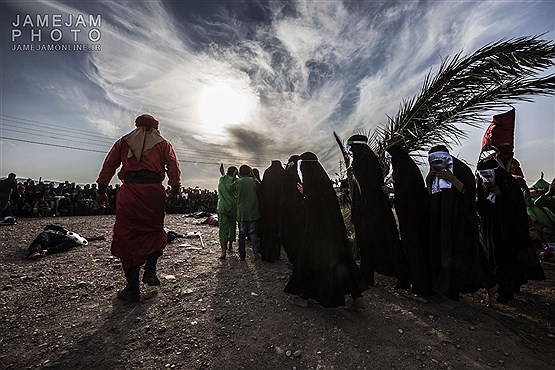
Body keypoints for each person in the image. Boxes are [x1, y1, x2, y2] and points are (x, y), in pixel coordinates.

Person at [96, 114, 181, 302]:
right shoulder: (163, 144)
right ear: (155, 128)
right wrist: (175, 190)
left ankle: (132, 288)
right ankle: (150, 270)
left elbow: (109, 165)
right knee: (154, 230)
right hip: (154, 194)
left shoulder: (123, 142)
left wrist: (101, 190)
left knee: (127, 235)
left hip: (129, 193)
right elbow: (173, 166)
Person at [284, 152, 367, 309]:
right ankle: (358, 297)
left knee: (306, 261)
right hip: (335, 232)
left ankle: (302, 297)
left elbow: (314, 207)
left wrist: (304, 194)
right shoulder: (324, 182)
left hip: (317, 233)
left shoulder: (310, 185)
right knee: (342, 261)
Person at [426, 145, 496, 301]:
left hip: (460, 224)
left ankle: (489, 285)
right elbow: (432, 197)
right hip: (442, 224)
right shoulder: (434, 174)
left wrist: (451, 178)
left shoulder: (461, 170)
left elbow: (470, 195)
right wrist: (430, 181)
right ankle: (448, 289)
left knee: (468, 256)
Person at [476, 159, 546, 303]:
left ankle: (506, 292)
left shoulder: (509, 184)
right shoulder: (483, 185)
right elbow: (482, 209)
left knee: (506, 259)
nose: (486, 179)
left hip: (508, 231)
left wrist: (500, 195)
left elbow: (515, 210)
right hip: (490, 230)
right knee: (493, 258)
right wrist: (483, 193)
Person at [346, 135, 410, 289]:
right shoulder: (361, 162)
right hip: (366, 213)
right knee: (368, 246)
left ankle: (403, 278)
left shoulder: (366, 162)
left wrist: (365, 212)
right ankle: (366, 277)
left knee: (387, 244)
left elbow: (369, 191)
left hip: (375, 213)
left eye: (352, 149)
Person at [385, 145, 432, 295]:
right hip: (411, 219)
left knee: (415, 250)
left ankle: (421, 285)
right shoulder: (406, 168)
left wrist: (391, 191)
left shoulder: (405, 170)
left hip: (411, 219)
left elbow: (407, 193)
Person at [280, 155, 307, 265]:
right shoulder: (302, 175)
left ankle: (295, 261)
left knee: (291, 238)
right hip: (301, 212)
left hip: (288, 213)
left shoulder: (286, 176)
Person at [230, 165, 261, 261]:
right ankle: (255, 252)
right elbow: (260, 186)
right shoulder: (253, 182)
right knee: (253, 233)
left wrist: (235, 177)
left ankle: (242, 255)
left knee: (242, 235)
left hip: (242, 213)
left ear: (239, 172)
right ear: (249, 172)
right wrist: (254, 176)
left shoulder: (237, 182)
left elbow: (230, 189)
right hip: (252, 211)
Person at [259, 160, 286, 262]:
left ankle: (266, 254)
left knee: (267, 231)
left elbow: (263, 190)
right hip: (280, 208)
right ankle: (275, 254)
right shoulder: (283, 173)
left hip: (267, 208)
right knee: (276, 231)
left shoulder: (267, 172)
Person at [217, 166, 238, 259]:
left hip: (223, 207)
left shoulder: (222, 180)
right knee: (232, 227)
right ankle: (230, 246)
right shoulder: (236, 181)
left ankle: (223, 251)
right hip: (233, 207)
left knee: (223, 229)